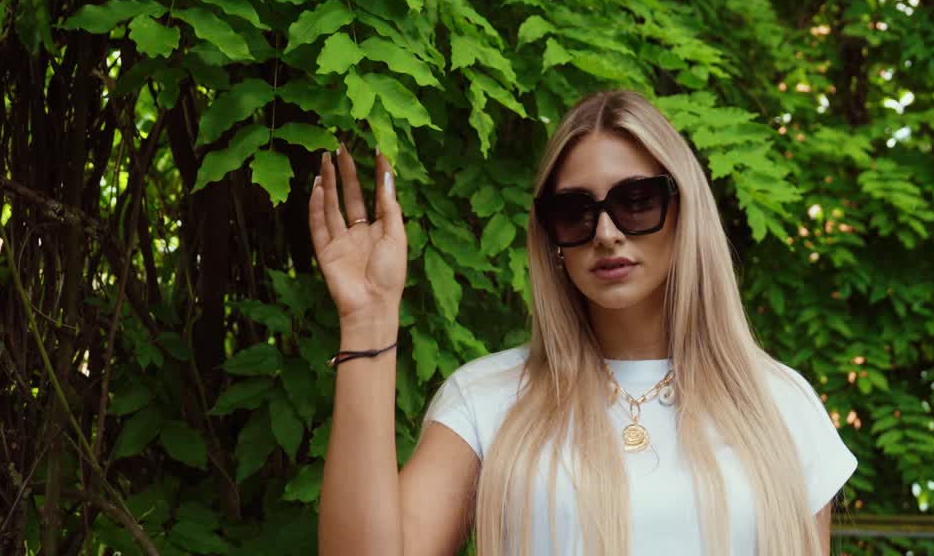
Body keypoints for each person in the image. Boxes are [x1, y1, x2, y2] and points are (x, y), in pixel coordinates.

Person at [310, 89, 857, 556]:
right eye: (574, 211)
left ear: (685, 213)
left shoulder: (782, 406)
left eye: (636, 201)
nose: (606, 232)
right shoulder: (487, 400)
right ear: (551, 240)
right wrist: (367, 322)